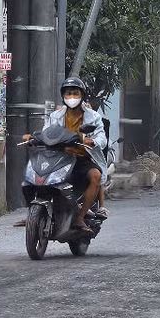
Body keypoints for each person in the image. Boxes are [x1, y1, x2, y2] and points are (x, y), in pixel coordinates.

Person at [26, 77, 108, 232]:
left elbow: (102, 138)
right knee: (36, 176)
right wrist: (34, 139)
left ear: (82, 95)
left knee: (96, 176)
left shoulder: (93, 117)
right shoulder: (55, 116)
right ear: (63, 96)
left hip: (82, 158)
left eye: (75, 93)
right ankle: (34, 212)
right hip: (59, 157)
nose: (71, 97)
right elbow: (47, 132)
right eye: (68, 94)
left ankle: (79, 219)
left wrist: (93, 141)